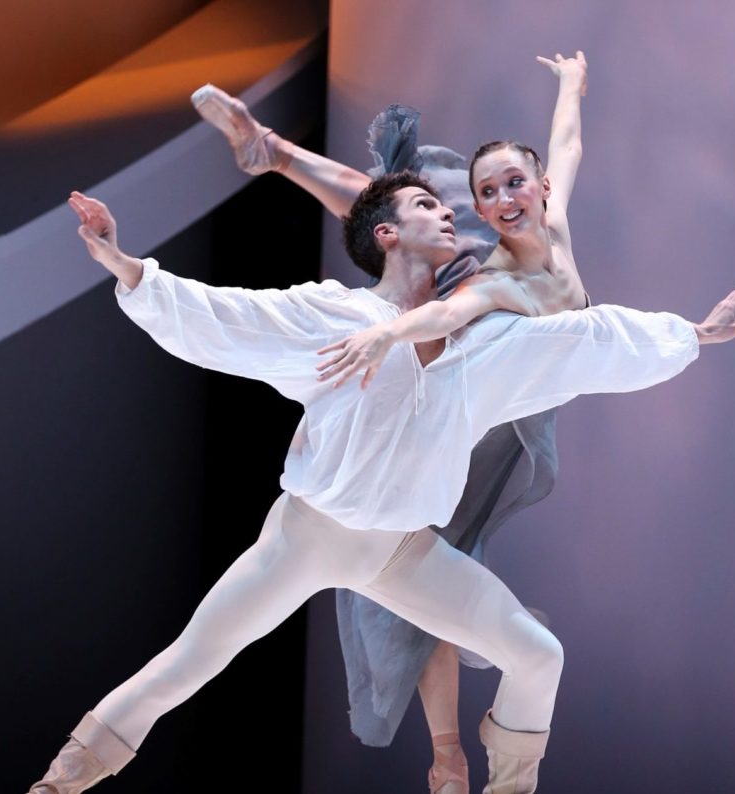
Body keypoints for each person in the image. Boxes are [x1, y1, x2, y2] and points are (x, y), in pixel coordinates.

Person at [28, 175, 735, 794]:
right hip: (307, 538)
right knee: (182, 670)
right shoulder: (338, 315)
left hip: (403, 551)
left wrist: (688, 335)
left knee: (539, 656)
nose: (448, 213)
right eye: (426, 206)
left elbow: (580, 343)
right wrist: (127, 266)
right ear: (386, 234)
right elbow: (231, 317)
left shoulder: (481, 340)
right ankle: (56, 787)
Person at [192, 50, 612, 792]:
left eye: (516, 184)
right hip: (467, 409)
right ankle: (449, 753)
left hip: (509, 416)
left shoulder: (554, 226)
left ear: (541, 187)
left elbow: (568, 146)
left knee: (436, 566)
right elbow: (443, 310)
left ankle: (456, 751)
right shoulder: (488, 277)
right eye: (488, 192)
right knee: (424, 562)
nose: (504, 199)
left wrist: (572, 85)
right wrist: (386, 334)